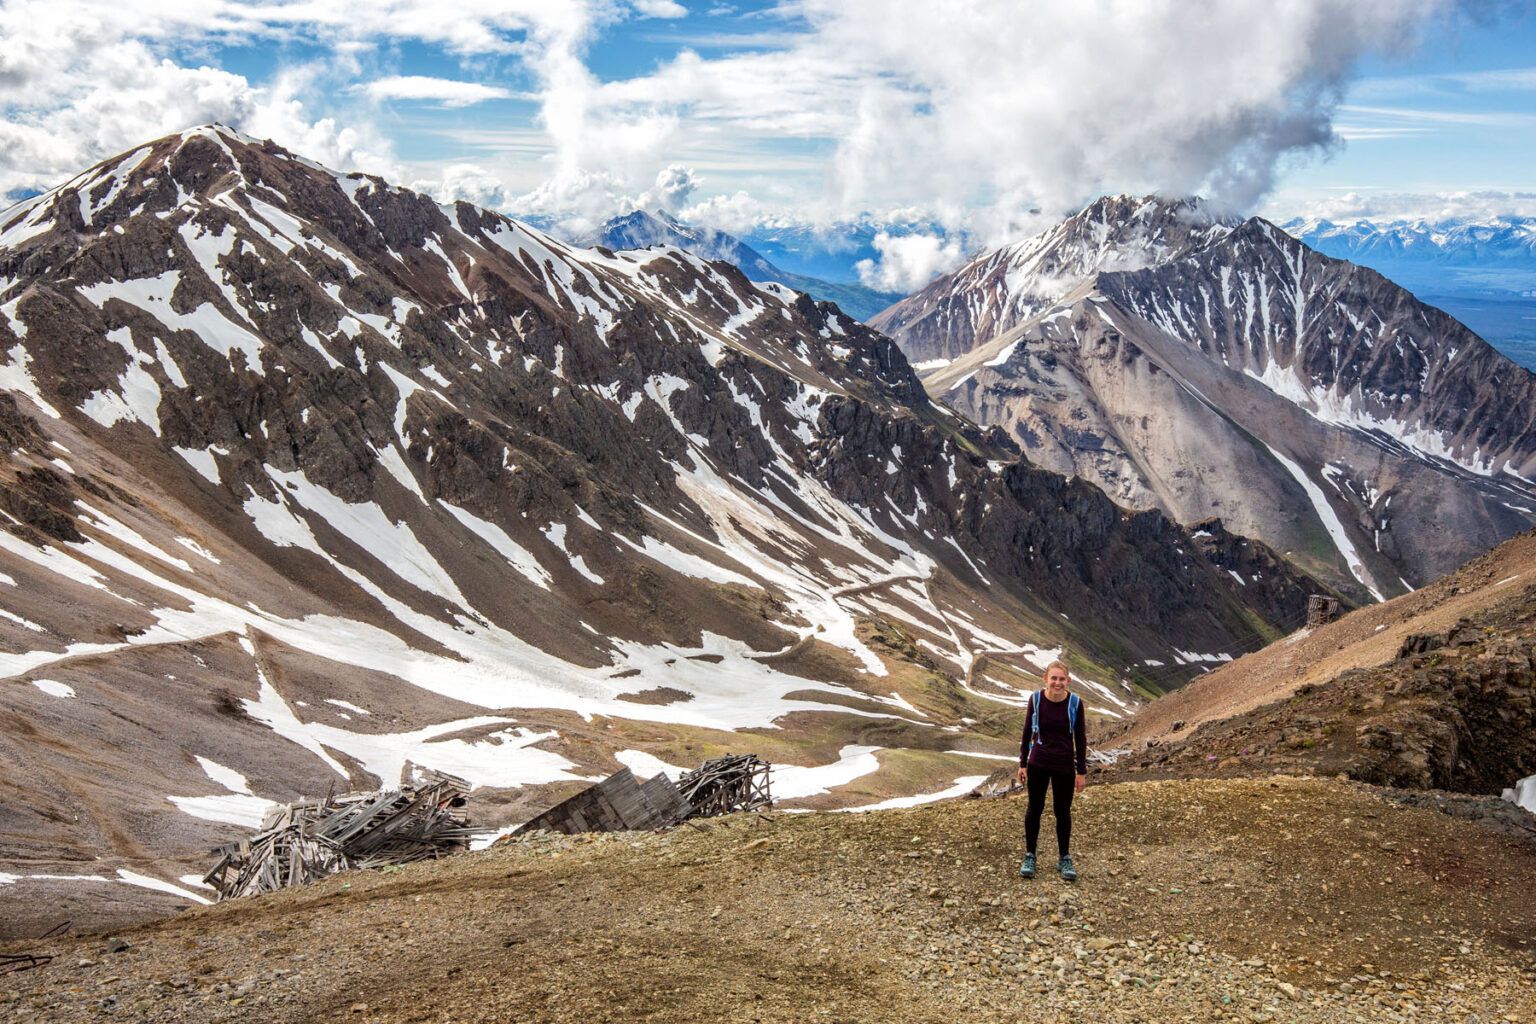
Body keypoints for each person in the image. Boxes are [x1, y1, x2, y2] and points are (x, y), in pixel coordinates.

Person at [1017, 660, 1087, 881]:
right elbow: (1027, 731)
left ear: (1068, 681)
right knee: (1034, 809)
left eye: (1062, 679)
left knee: (1062, 812)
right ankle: (1030, 856)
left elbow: (1081, 738)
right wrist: (1022, 763)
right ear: (1045, 678)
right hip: (1038, 763)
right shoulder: (1036, 700)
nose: (1057, 683)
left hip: (1064, 766)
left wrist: (1081, 771)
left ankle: (1064, 858)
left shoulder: (1075, 703)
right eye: (1054, 678)